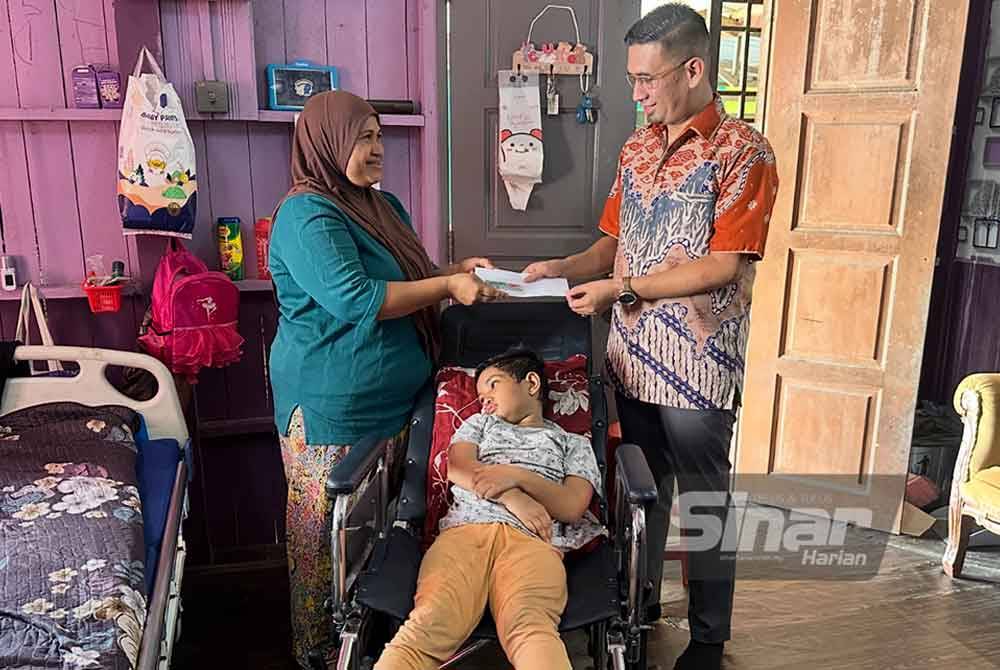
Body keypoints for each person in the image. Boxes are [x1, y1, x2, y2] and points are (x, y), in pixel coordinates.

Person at [524, 5, 779, 669]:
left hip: (700, 364)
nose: (635, 93)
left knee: (704, 502)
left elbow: (725, 263)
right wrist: (564, 267)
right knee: (640, 491)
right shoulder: (636, 149)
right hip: (630, 360)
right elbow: (614, 242)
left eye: (647, 78)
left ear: (692, 69)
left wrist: (622, 290)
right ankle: (638, 611)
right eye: (632, 79)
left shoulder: (744, 152)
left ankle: (710, 637)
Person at [268, 91, 503, 669]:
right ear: (326, 144)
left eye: (378, 136)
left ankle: (375, 650)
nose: (376, 149)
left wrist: (453, 271)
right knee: (326, 546)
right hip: (336, 416)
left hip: (402, 406)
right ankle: (319, 656)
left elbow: (412, 276)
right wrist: (446, 290)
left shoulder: (381, 205)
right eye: (361, 138)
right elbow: (355, 298)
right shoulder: (306, 214)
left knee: (387, 541)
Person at [375, 348, 603, 670]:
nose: (484, 400)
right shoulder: (480, 425)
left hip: (534, 541)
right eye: (480, 395)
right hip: (464, 534)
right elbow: (460, 468)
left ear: (532, 383)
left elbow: (571, 506)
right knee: (428, 625)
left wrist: (516, 474)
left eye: (493, 385)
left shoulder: (572, 443)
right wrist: (515, 497)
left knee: (530, 627)